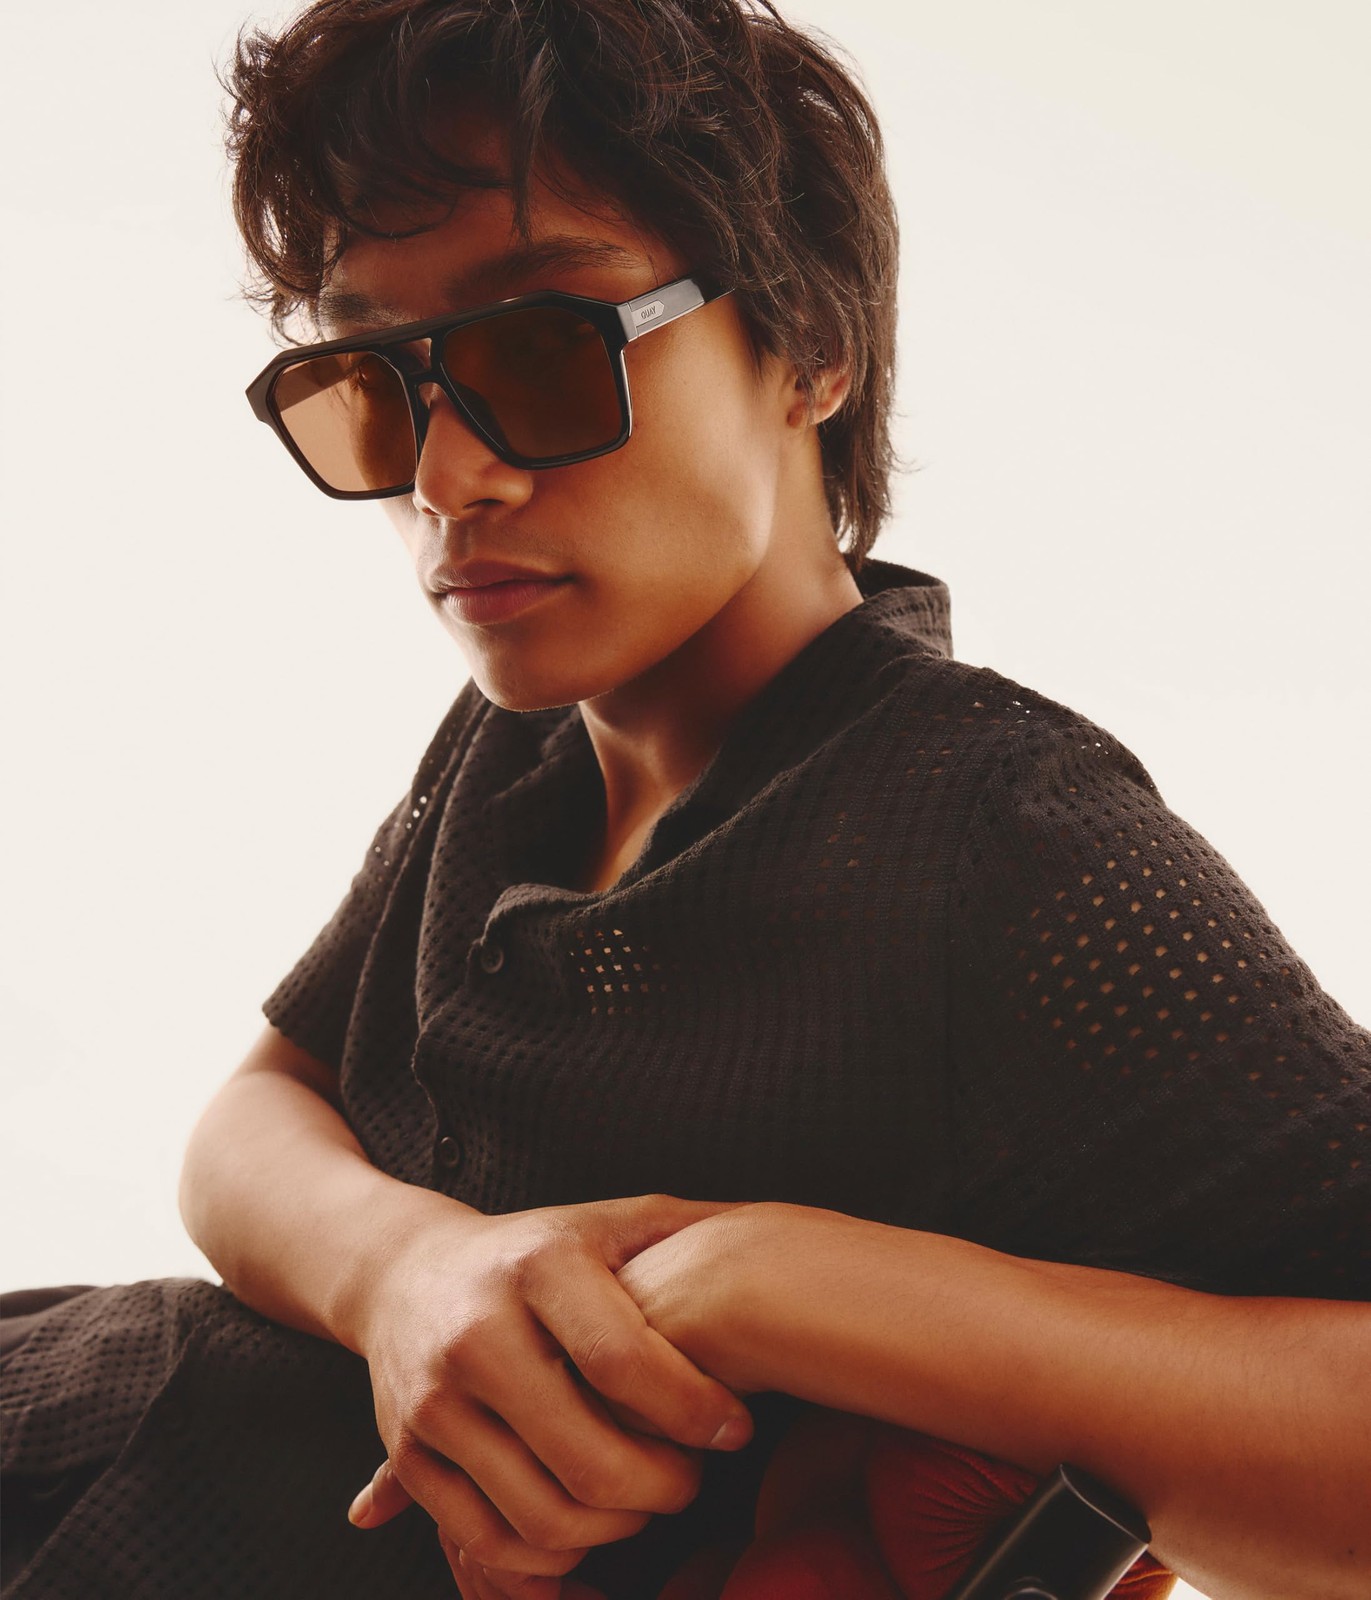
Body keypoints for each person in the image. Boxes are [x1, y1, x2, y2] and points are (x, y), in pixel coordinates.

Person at [2, 2, 1367, 1598]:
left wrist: (777, 1283)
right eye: (372, 380)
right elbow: (252, 1119)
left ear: (812, 346)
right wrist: (408, 1272)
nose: (446, 479)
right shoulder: (515, 747)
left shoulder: (995, 826)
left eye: (539, 348)